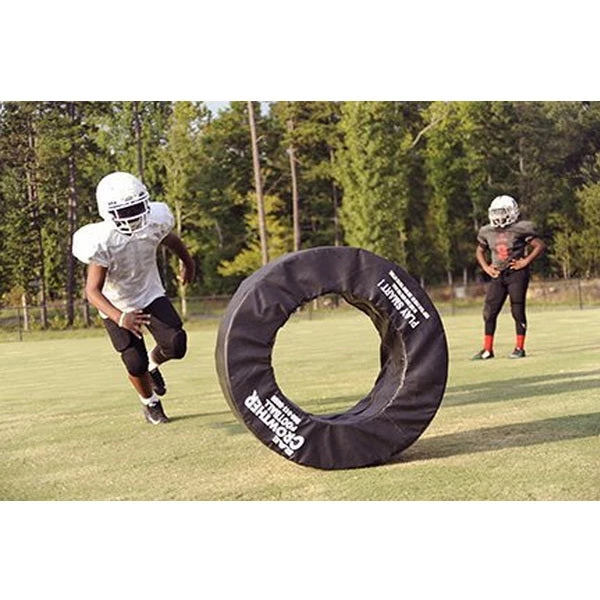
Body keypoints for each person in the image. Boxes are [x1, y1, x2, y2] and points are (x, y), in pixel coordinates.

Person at [72, 171, 195, 424]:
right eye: (124, 212)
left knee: (176, 344)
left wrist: (188, 262)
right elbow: (92, 290)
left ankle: (153, 364)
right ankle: (150, 403)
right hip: (116, 305)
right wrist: (120, 317)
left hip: (149, 293)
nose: (132, 217)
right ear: (108, 212)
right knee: (134, 362)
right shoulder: (103, 240)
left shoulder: (154, 222)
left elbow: (171, 240)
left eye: (136, 208)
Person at [471, 194, 545, 360]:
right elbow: (480, 250)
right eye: (496, 212)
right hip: (498, 274)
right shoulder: (487, 231)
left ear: (512, 212)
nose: (499, 216)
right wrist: (486, 267)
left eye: (502, 212)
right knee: (489, 311)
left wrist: (525, 261)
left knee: (517, 309)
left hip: (516, 274)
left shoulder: (520, 228)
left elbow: (539, 245)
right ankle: (487, 350)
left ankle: (519, 348)